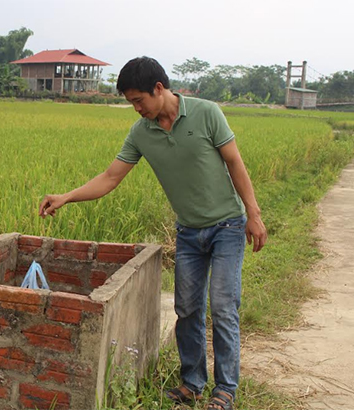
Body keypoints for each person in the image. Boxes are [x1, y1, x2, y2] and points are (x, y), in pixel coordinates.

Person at [38, 56, 267, 410]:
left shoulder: (207, 113)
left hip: (227, 226)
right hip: (189, 232)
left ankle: (225, 390)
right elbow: (111, 177)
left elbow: (235, 162)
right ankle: (192, 383)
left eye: (138, 100)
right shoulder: (141, 133)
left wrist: (253, 214)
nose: (136, 109)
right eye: (131, 103)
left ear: (159, 89)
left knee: (222, 307)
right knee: (187, 309)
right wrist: (66, 197)